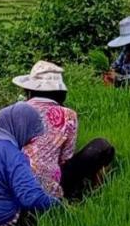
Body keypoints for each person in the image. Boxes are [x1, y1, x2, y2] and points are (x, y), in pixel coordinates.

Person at [13, 61, 117, 200]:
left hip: (14, 182)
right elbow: (65, 158)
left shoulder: (15, 110)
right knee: (102, 146)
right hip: (49, 187)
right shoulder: (68, 115)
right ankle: (83, 193)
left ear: (29, 90)